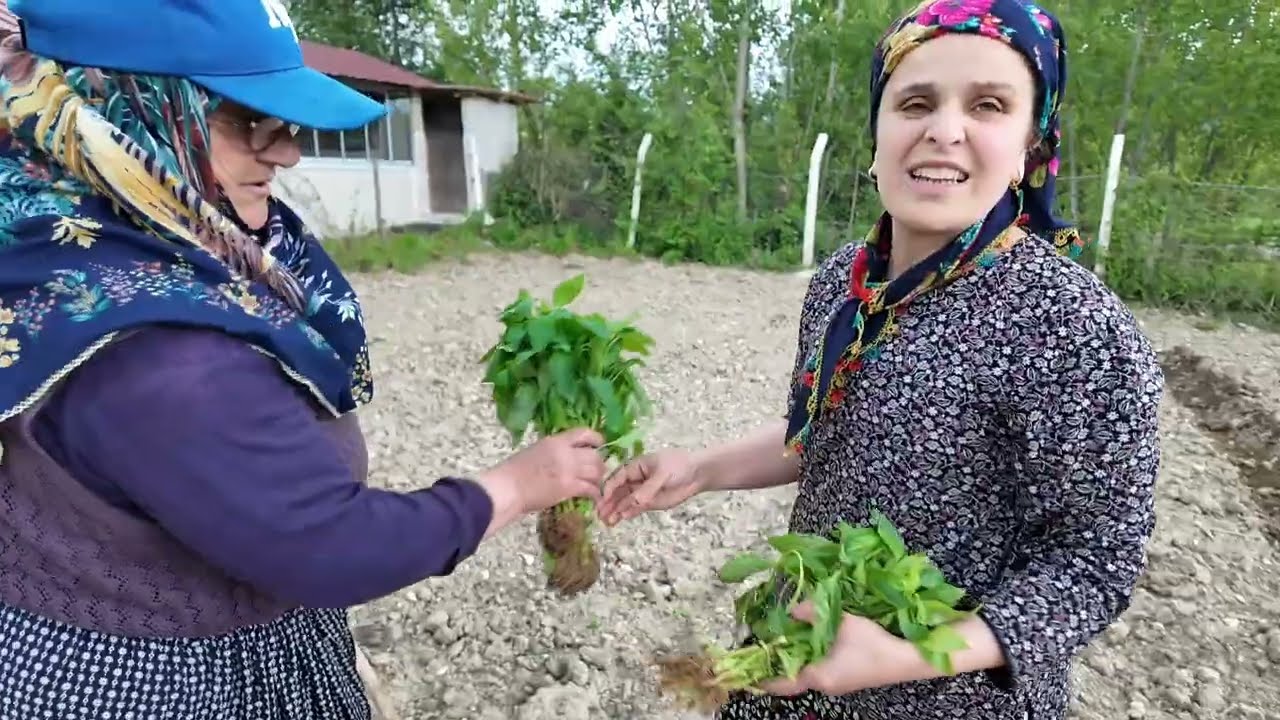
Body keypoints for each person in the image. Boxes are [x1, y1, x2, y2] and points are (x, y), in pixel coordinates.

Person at [0, 0, 605, 718]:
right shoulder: (162, 355)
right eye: (245, 120)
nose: (286, 152)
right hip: (154, 685)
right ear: (127, 114)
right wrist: (511, 487)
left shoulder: (100, 242)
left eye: (287, 125)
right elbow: (327, 544)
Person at [599, 1, 1163, 719]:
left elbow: (1094, 565)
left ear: (1030, 144)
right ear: (877, 128)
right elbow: (829, 437)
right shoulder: (847, 283)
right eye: (915, 102)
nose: (944, 130)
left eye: (989, 105)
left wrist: (907, 655)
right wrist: (699, 469)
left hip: (948, 699)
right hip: (795, 651)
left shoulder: (1078, 331)